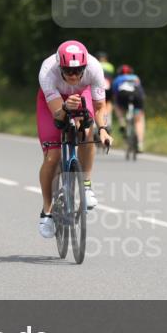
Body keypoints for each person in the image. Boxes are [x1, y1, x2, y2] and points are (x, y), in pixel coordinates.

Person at [36, 40, 113, 239]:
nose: (73, 75)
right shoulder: (47, 71)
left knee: (87, 132)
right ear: (59, 67)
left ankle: (86, 186)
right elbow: (58, 116)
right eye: (68, 71)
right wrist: (66, 107)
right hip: (52, 105)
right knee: (52, 157)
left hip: (82, 94)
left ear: (85, 67)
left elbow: (99, 107)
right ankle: (47, 212)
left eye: (78, 70)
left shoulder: (95, 68)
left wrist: (103, 129)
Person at [112, 64, 146, 152]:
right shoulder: (136, 77)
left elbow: (115, 95)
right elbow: (141, 91)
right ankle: (140, 144)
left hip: (123, 96)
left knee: (116, 104)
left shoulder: (117, 79)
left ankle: (122, 121)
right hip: (137, 97)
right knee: (139, 120)